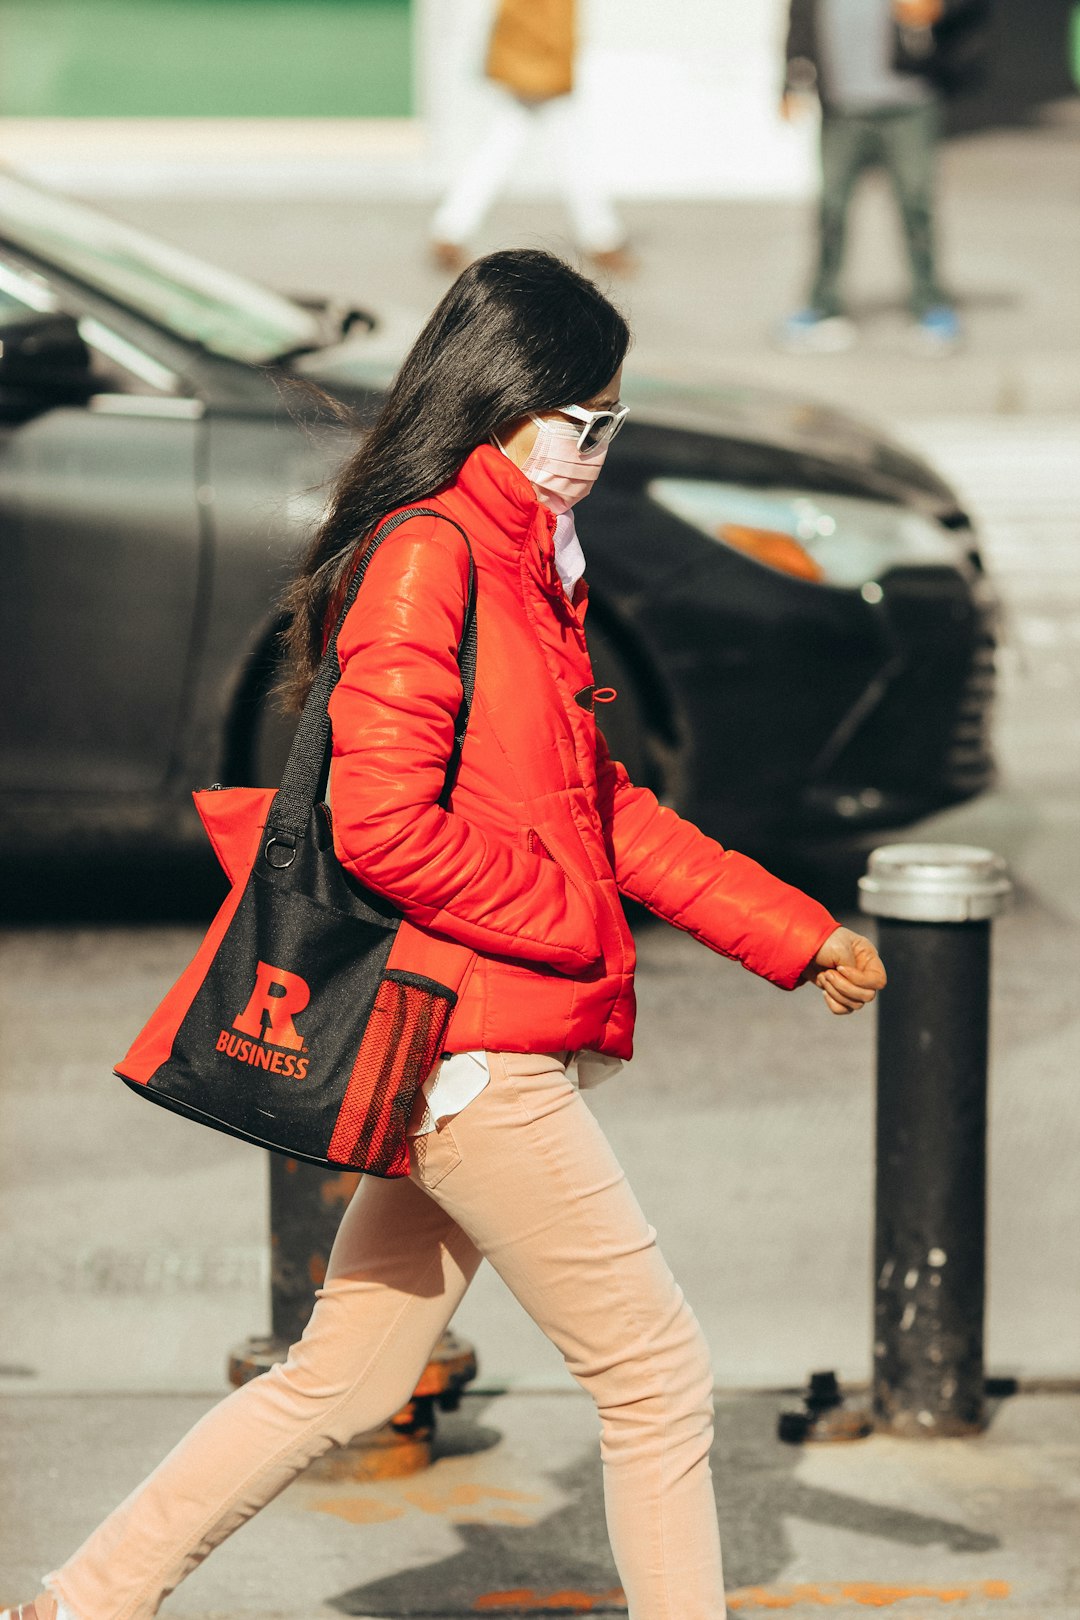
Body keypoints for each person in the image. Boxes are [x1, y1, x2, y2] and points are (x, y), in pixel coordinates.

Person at [6, 250, 885, 1620]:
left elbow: (600, 805)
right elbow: (382, 827)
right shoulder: (432, 560)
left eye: (612, 423)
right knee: (657, 1378)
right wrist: (568, 919)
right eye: (579, 420)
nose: (597, 449)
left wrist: (791, 930)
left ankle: (79, 1602)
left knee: (343, 1379)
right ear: (500, 402)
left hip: (458, 1044)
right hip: (476, 1057)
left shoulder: (525, 564)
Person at [779, 0, 991, 353]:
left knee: (915, 203)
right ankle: (821, 304)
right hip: (842, 104)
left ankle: (930, 303)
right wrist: (789, 82)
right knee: (831, 206)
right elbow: (800, 20)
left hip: (909, 102)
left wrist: (937, 10)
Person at [429, 0, 631, 275]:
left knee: (506, 149)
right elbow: (543, 24)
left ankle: (450, 231)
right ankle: (602, 237)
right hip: (538, 70)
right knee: (566, 154)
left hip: (531, 68)